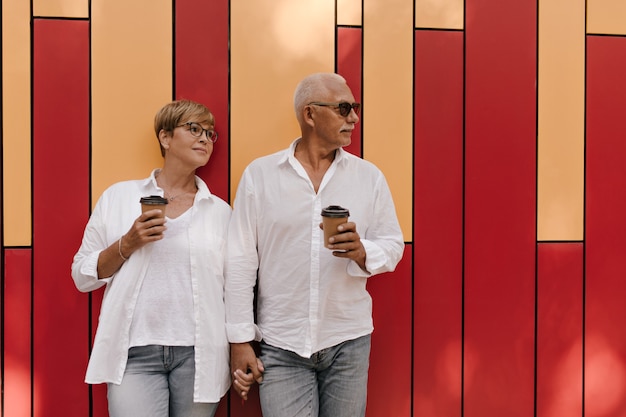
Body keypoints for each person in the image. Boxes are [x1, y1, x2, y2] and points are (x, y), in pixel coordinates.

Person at [225, 73, 405, 417]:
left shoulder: (369, 177)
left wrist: (363, 251)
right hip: (281, 345)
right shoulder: (260, 176)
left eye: (355, 108)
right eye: (343, 108)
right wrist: (239, 340)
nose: (354, 117)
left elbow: (392, 244)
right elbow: (240, 260)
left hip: (347, 341)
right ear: (310, 114)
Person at [71, 100, 244, 417]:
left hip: (200, 355)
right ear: (165, 138)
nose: (204, 138)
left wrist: (241, 347)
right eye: (194, 129)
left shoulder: (221, 212)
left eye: (210, 133)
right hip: (134, 354)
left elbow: (235, 288)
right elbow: (82, 275)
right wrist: (127, 243)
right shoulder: (119, 197)